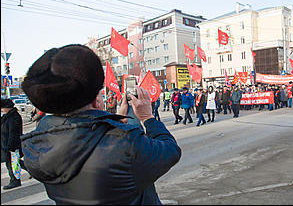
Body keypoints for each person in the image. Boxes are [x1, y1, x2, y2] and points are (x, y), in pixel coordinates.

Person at [20, 44, 181, 204]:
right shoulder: (126, 144)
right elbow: (170, 151)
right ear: (96, 101)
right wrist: (147, 117)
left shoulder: (37, 144)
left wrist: (117, 120)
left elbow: (85, 139)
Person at [1, 99, 27, 190]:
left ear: (8, 108)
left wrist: (10, 146)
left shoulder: (14, 117)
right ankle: (32, 170)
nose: (1, 110)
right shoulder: (6, 116)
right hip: (5, 144)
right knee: (14, 162)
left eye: (2, 108)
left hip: (12, 145)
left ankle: (15, 181)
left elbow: (14, 133)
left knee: (13, 163)